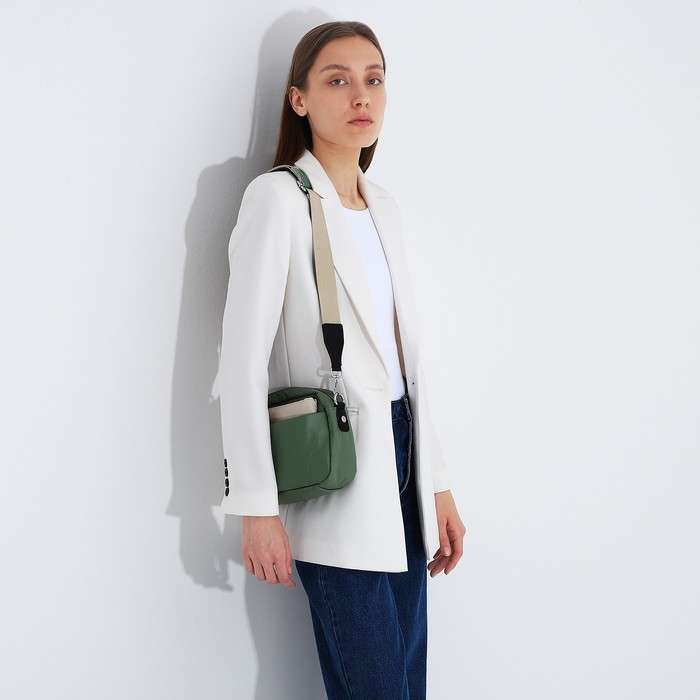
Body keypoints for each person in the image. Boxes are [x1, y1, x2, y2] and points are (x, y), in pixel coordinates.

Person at [219, 20, 466, 699]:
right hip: (337, 470)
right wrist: (256, 507)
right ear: (299, 99)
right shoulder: (278, 199)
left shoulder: (382, 206)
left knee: (407, 684)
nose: (361, 95)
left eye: (373, 79)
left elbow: (403, 363)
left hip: (404, 457)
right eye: (338, 80)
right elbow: (241, 361)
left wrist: (437, 483)